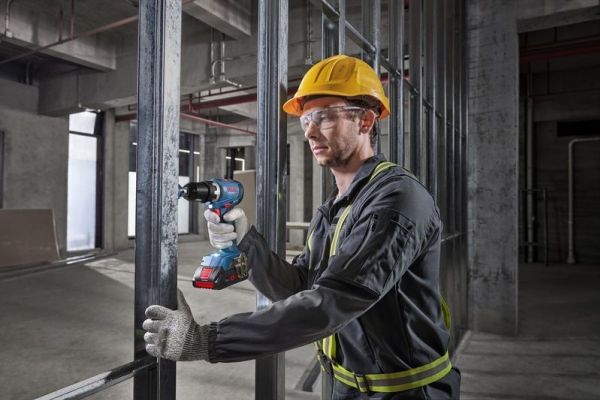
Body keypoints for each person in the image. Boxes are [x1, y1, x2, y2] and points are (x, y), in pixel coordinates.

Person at [143, 54, 461, 399]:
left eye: (324, 116)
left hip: (407, 393)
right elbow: (299, 287)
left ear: (366, 120)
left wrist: (207, 340)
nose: (309, 131)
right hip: (345, 387)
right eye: (307, 119)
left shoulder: (397, 199)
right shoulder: (334, 207)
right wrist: (247, 243)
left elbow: (332, 301)